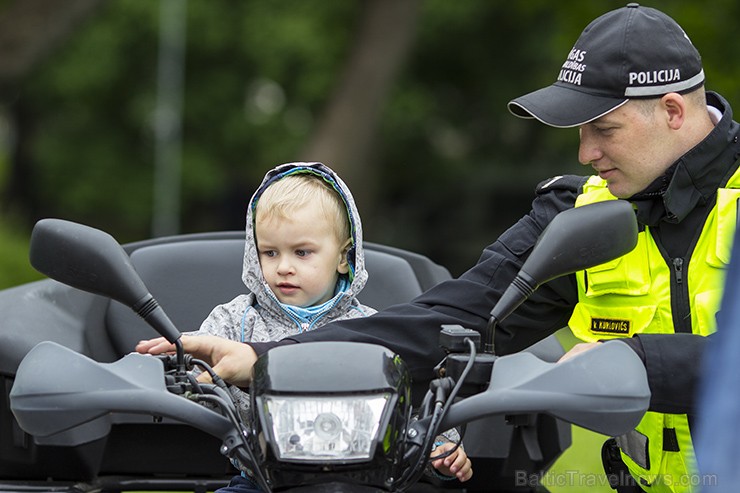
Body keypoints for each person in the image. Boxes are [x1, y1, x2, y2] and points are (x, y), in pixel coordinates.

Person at [138, 4, 739, 492]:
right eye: (580, 132)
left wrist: (635, 360)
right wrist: (270, 355)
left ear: (671, 111)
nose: (585, 154)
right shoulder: (578, 213)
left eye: (602, 129)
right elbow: (446, 322)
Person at [175, 161, 473, 492]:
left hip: (363, 482)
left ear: (344, 257)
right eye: (269, 252)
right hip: (260, 482)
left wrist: (442, 448)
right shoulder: (234, 321)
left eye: (302, 252)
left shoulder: (373, 329)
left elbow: (418, 397)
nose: (283, 267)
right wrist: (176, 369)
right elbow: (194, 364)